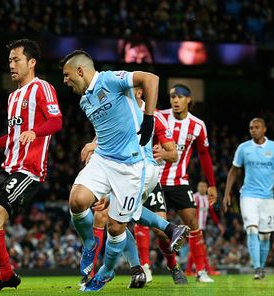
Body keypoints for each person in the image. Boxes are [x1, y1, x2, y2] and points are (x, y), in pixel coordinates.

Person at [60, 50, 186, 292]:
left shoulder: (110, 79)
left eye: (66, 75)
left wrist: (148, 119)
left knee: (117, 227)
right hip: (103, 160)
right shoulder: (84, 101)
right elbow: (108, 128)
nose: (64, 81)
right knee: (77, 201)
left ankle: (106, 272)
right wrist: (94, 144)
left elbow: (151, 79)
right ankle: (89, 243)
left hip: (131, 167)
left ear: (80, 70)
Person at [0, 39, 62, 293]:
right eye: (9, 60)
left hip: (29, 169)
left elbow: (56, 121)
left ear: (32, 62)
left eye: (16, 59)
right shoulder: (13, 96)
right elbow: (13, 136)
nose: (11, 64)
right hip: (8, 166)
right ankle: (7, 273)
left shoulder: (43, 88)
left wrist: (35, 131)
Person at [80, 86, 187, 285]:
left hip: (144, 175)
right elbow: (104, 139)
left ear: (138, 93)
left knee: (154, 231)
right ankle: (133, 269)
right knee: (111, 218)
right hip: (122, 173)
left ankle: (173, 263)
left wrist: (163, 154)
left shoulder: (153, 116)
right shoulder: (117, 111)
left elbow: (173, 154)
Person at [159, 84, 217, 283]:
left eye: (180, 96)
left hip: (179, 181)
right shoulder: (160, 116)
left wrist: (212, 184)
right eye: (172, 96)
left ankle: (201, 271)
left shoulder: (197, 125)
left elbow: (204, 155)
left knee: (193, 224)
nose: (175, 100)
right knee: (161, 231)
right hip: (155, 181)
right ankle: (171, 267)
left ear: (189, 99)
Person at [223, 118, 274, 280]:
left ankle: (262, 266)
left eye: (257, 127)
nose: (253, 130)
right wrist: (226, 193)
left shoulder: (273, 147)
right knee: (251, 229)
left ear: (264, 129)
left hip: (268, 198)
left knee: (265, 235)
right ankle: (257, 268)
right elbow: (234, 171)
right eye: (251, 127)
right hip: (248, 196)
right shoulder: (243, 148)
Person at [186, 180, 224, 276]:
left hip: (203, 227)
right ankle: (207, 270)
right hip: (195, 227)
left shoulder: (207, 199)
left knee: (197, 249)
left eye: (204, 186)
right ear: (198, 187)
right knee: (202, 248)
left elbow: (211, 212)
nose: (202, 188)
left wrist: (218, 224)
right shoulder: (195, 197)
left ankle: (189, 270)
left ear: (207, 188)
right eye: (200, 186)